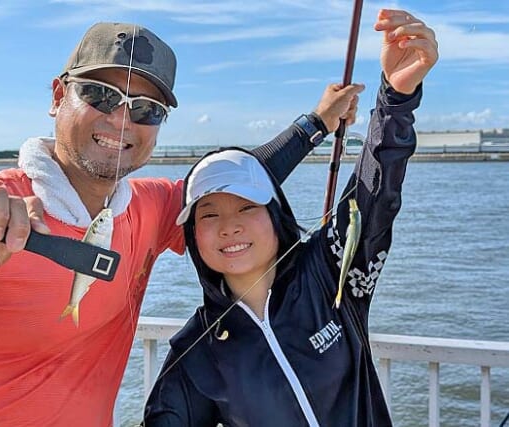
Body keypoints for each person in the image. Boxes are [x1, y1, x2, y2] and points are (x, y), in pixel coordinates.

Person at [0, 22, 362, 427]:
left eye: (146, 109)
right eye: (102, 95)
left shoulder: (147, 207)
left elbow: (231, 181)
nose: (122, 120)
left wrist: (315, 123)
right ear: (59, 96)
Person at [143, 9, 438, 427]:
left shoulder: (330, 271)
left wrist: (396, 97)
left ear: (276, 214)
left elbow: (376, 192)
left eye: (247, 207)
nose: (230, 226)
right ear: (193, 236)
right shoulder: (196, 351)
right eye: (209, 214)